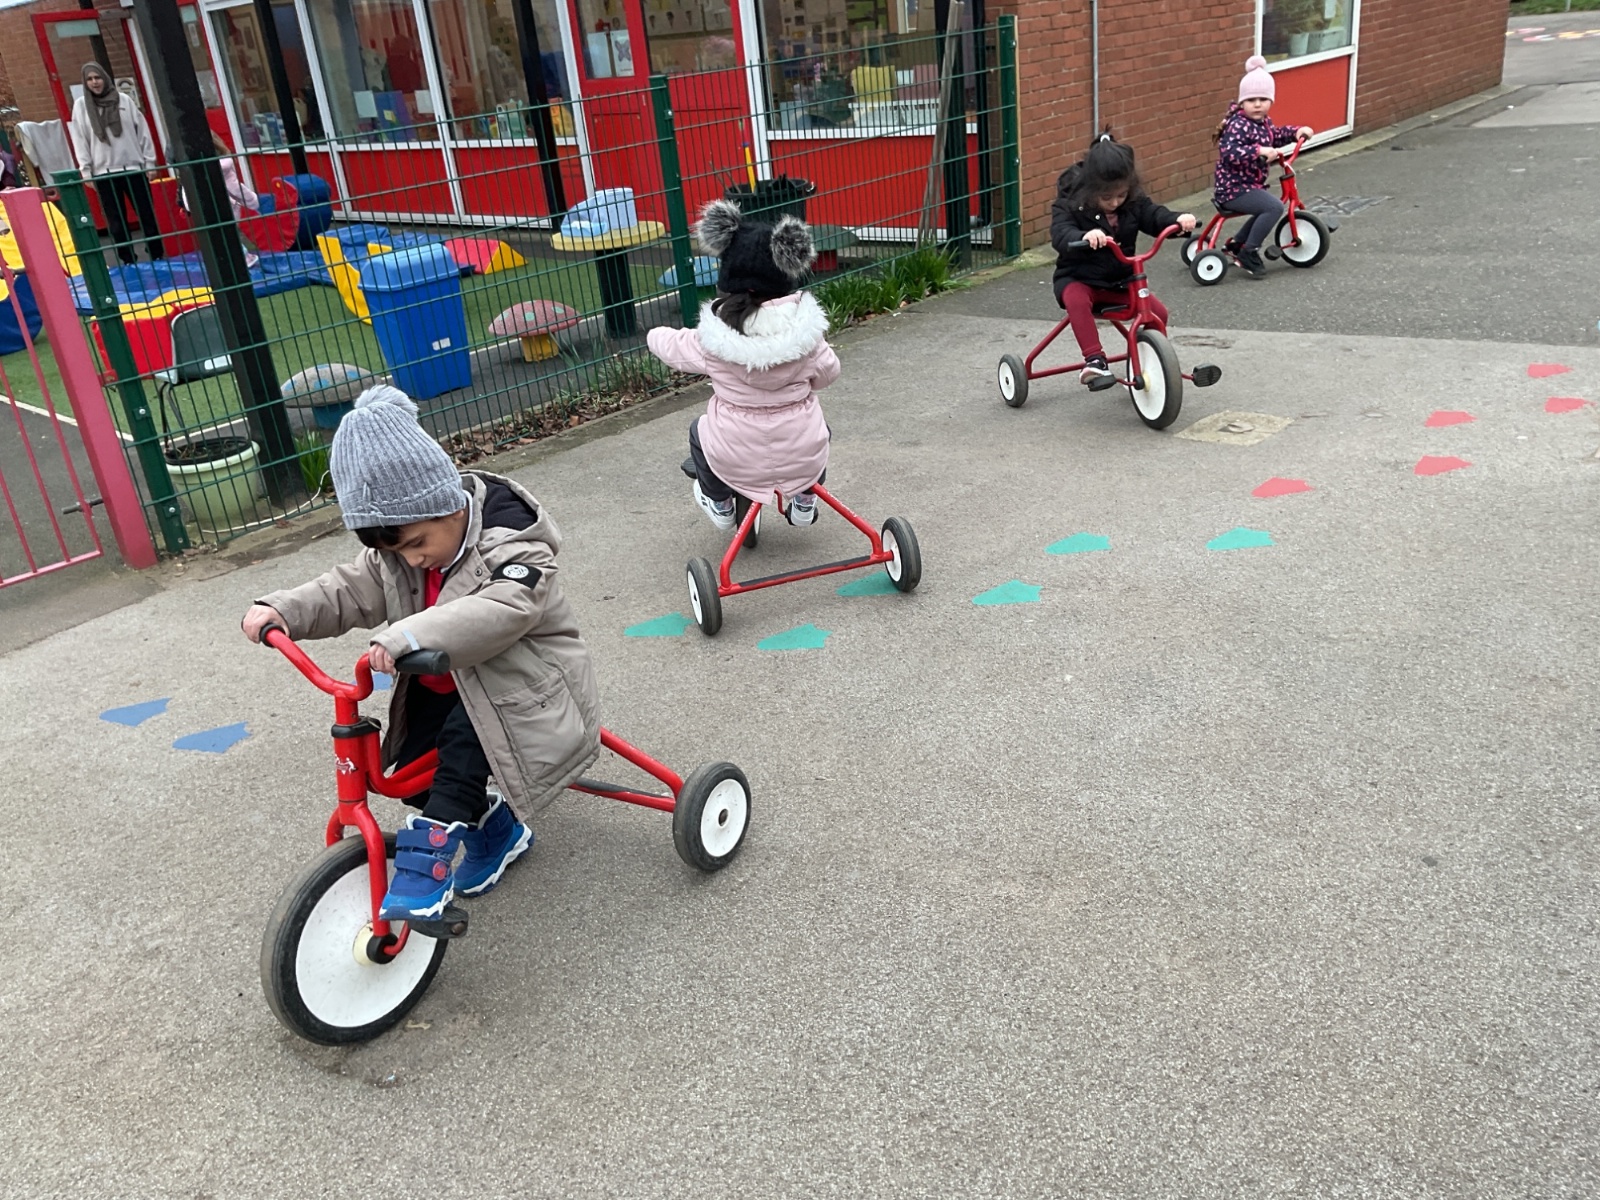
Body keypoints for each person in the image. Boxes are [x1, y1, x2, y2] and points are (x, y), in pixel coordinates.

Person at [240, 386, 601, 921]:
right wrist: (284, 609)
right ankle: (496, 832)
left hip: (524, 686)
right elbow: (348, 588)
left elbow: (504, 608)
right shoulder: (400, 554)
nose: (410, 560)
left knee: (460, 753)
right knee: (410, 772)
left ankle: (430, 856)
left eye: (415, 544)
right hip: (448, 681)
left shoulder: (513, 545)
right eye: (395, 550)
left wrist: (407, 635)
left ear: (447, 504)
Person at [647, 199, 838, 530]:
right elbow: (828, 374)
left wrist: (653, 335)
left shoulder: (712, 339)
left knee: (699, 431)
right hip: (800, 457)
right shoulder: (807, 337)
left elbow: (673, 347)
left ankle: (720, 503)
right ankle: (805, 501)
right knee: (818, 430)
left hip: (735, 459)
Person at [1050, 132, 1197, 387]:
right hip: (1080, 278)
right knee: (1076, 299)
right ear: (1091, 189)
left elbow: (1153, 215)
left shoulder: (1133, 202)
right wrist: (1084, 235)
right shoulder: (1070, 204)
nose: (1115, 203)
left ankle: (1146, 361)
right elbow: (1061, 232)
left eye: (1121, 195)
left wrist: (1177, 220)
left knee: (1158, 314)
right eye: (1106, 198)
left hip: (1120, 281)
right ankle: (1095, 360)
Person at [1212, 56, 1314, 279]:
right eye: (1251, 100)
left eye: (1263, 99)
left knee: (1267, 206)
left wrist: (1295, 132)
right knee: (1273, 207)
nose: (1257, 104)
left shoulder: (1263, 122)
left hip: (1249, 186)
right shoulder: (1238, 125)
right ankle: (1249, 251)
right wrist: (1258, 151)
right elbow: (1229, 152)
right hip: (1232, 189)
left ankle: (1238, 243)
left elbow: (1274, 136)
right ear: (1242, 103)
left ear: (1271, 101)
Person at [67, 63, 164, 265]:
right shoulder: (81, 106)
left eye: (98, 77)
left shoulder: (124, 100)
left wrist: (149, 162)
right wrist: (86, 171)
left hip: (133, 169)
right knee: (116, 221)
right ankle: (128, 259)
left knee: (146, 215)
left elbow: (142, 132)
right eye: (90, 79)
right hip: (104, 173)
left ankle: (157, 254)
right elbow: (80, 140)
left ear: (105, 78)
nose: (95, 82)